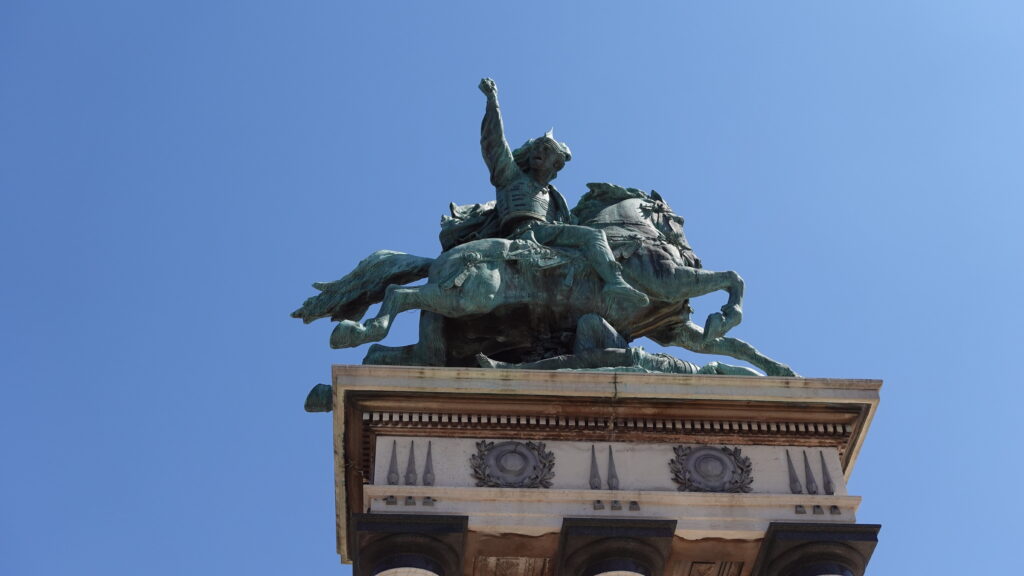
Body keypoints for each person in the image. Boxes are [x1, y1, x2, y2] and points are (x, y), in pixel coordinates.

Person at [478, 78, 649, 308]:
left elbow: (569, 224)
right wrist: (493, 102)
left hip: (548, 236)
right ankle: (615, 282)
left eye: (545, 149)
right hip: (525, 234)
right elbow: (494, 143)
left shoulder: (556, 199)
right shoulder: (511, 175)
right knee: (593, 237)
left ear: (556, 164)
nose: (538, 150)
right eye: (537, 146)